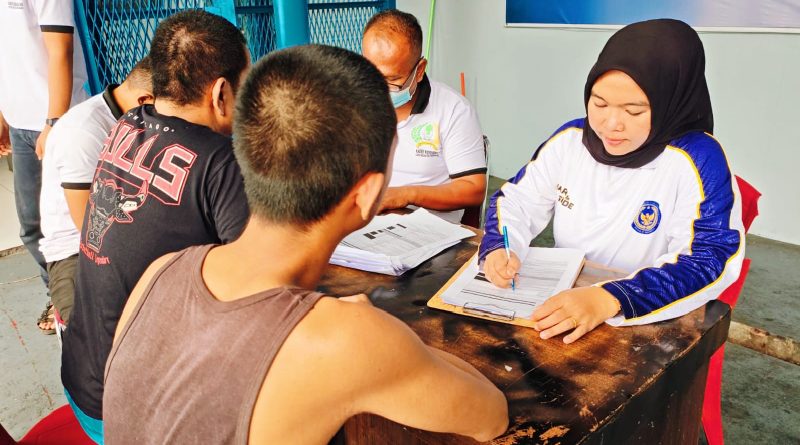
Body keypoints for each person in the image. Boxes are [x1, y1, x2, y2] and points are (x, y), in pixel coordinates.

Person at [103, 44, 509, 444]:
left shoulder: (163, 269)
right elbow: (491, 416)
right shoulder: (349, 341)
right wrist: (379, 334)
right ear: (368, 194)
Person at [480, 19, 744, 344]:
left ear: (670, 104)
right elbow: (516, 201)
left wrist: (610, 298)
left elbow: (708, 258)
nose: (610, 124)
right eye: (599, 103)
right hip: (566, 302)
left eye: (634, 111)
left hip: (646, 316)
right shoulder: (571, 140)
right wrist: (500, 247)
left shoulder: (698, 158)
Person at [61, 11, 250, 442]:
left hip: (81, 378)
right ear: (222, 93)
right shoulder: (220, 162)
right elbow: (262, 289)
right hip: (131, 411)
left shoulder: (127, 125)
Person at [38, 57, 154, 331]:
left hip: (128, 229)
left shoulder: (137, 117)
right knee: (94, 333)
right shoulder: (83, 132)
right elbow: (91, 233)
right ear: (145, 100)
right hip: (77, 250)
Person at [0, 0, 89, 332]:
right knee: (32, 227)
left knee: (74, 225)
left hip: (53, 123)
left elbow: (60, 50)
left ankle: (87, 297)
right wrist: (4, 113)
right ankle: (60, 295)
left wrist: (55, 122)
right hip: (21, 123)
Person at [362, 9, 487, 224]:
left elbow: (473, 189)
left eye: (392, 81)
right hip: (366, 223)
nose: (378, 88)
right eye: (370, 74)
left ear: (419, 70)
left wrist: (406, 195)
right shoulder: (353, 103)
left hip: (430, 231)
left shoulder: (453, 110)